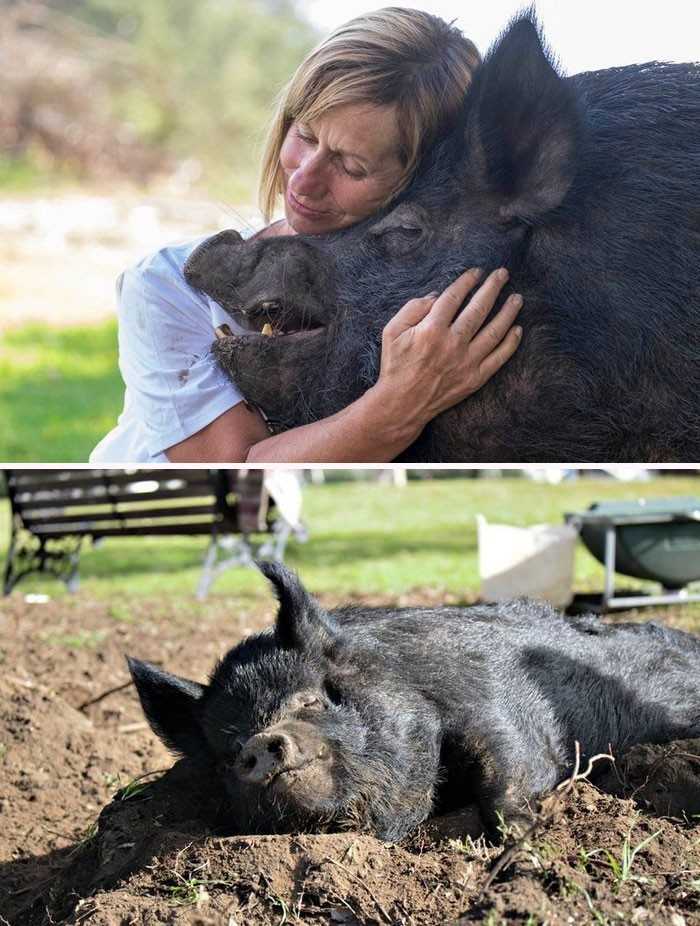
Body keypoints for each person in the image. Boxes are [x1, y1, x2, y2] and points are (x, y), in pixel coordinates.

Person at [90, 7, 523, 464]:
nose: (302, 181)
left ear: (418, 182)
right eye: (305, 135)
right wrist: (401, 403)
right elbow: (234, 469)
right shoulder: (165, 284)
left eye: (351, 166)